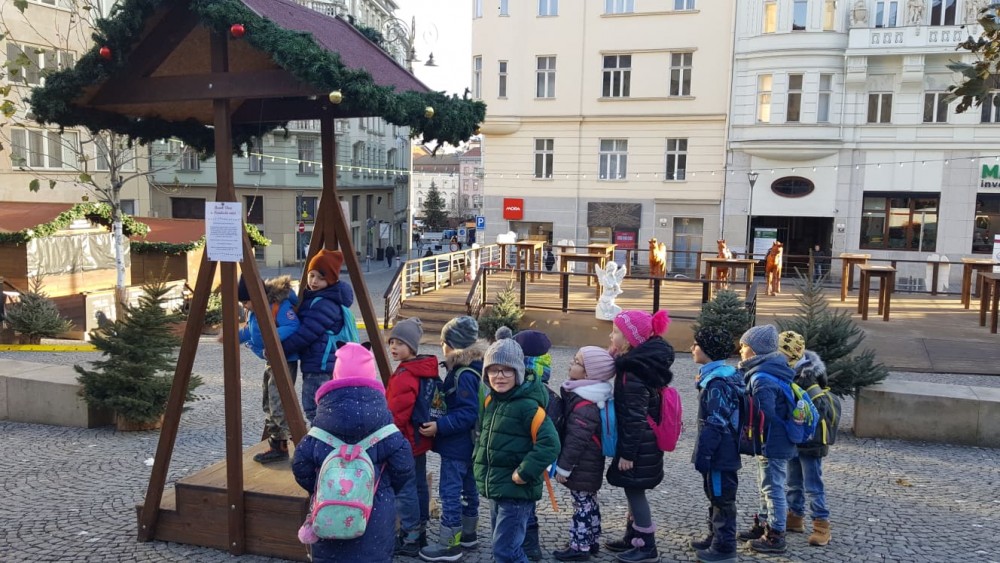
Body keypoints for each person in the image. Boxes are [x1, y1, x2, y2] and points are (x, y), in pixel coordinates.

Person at [291, 342, 415, 563]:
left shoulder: (321, 425)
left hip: (329, 515)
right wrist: (383, 486)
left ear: (335, 375)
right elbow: (404, 466)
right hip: (375, 516)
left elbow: (300, 464)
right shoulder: (385, 426)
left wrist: (322, 485)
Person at [474, 327, 560, 563]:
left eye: (507, 370)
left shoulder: (527, 406)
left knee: (506, 551)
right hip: (497, 486)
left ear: (519, 372)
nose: (499, 376)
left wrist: (524, 472)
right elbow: (484, 437)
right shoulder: (492, 400)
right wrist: (477, 462)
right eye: (493, 370)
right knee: (500, 547)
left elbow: (550, 444)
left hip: (516, 491)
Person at [604, 309, 674, 563]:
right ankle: (632, 536)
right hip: (645, 441)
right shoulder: (642, 363)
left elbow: (635, 417)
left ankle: (646, 546)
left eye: (615, 332)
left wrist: (627, 454)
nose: (610, 336)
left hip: (639, 444)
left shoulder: (633, 372)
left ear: (630, 339)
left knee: (635, 491)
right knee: (631, 488)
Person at [418, 316, 484, 562]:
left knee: (450, 493)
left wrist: (440, 426)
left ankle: (449, 545)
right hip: (470, 445)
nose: (441, 346)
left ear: (452, 345)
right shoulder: (474, 367)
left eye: (443, 342)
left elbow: (467, 413)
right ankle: (468, 533)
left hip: (457, 446)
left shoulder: (463, 374)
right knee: (469, 490)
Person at [735, 325, 797, 554]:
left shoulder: (762, 378)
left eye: (744, 346)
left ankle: (775, 535)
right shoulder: (772, 370)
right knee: (766, 486)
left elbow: (764, 414)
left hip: (773, 441)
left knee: (773, 488)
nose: (740, 350)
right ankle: (763, 525)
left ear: (755, 350)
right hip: (772, 440)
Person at [552, 346, 617, 561]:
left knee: (581, 504)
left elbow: (576, 441)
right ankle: (591, 538)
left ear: (588, 374)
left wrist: (564, 468)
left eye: (577, 362)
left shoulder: (585, 404)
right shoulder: (588, 396)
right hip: (589, 463)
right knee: (589, 500)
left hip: (582, 464)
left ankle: (580, 546)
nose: (571, 364)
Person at [777, 334, 840, 548]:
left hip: (812, 441)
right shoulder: (789, 372)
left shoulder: (807, 377)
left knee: (813, 484)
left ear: (790, 354)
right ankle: (795, 516)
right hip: (796, 439)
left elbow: (820, 408)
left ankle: (822, 524)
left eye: (779, 353)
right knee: (793, 481)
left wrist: (800, 410)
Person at [386, 318, 441, 556]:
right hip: (418, 440)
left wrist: (388, 439)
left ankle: (410, 536)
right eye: (392, 342)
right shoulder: (421, 369)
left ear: (412, 347)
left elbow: (396, 415)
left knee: (405, 488)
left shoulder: (405, 375)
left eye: (400, 343)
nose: (393, 347)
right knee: (418, 484)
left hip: (404, 441)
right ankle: (421, 530)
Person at [282, 249, 356, 423]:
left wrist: (282, 348)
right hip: (319, 363)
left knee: (313, 409)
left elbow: (307, 334)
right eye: (311, 275)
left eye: (321, 278)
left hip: (320, 366)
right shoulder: (316, 298)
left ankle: (323, 438)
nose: (314, 281)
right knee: (321, 408)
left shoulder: (325, 304)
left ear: (331, 280)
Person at [233, 275, 300, 464]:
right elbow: (251, 331)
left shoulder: (278, 305)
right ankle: (278, 446)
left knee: (280, 404)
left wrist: (270, 338)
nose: (245, 306)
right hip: (271, 361)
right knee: (268, 402)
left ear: (257, 296)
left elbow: (293, 325)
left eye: (246, 302)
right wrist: (233, 337)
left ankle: (300, 440)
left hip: (284, 360)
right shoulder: (255, 311)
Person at [689, 327, 742, 563]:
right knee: (714, 494)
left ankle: (724, 547)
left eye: (696, 345)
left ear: (708, 350)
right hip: (720, 451)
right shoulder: (719, 376)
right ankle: (715, 537)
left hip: (721, 453)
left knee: (722, 498)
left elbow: (716, 422)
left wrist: (705, 453)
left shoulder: (717, 382)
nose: (692, 348)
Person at [512, 329, 558, 560]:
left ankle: (528, 545)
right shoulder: (548, 392)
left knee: (523, 502)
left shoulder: (526, 393)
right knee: (526, 501)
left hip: (524, 458)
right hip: (536, 460)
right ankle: (526, 544)